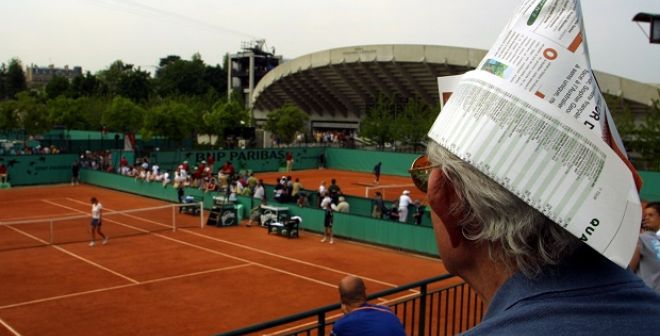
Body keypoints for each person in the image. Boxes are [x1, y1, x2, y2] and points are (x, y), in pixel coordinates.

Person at [331, 276, 405, 336]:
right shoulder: (387, 311)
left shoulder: (341, 325)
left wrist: (347, 316)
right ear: (364, 293)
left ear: (342, 299)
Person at [630, 202, 660, 293]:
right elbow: (629, 270)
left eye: (651, 215)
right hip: (642, 296)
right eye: (645, 215)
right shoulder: (640, 239)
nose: (646, 218)